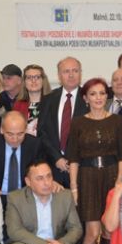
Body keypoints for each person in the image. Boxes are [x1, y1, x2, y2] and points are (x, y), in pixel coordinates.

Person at [67, 77, 122, 244]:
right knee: (92, 232)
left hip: (111, 177)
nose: (98, 98)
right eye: (93, 94)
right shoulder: (78, 123)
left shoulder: (117, 121)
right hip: (87, 177)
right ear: (85, 98)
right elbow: (73, 158)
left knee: (109, 229)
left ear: (107, 96)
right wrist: (74, 187)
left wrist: (119, 181)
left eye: (102, 93)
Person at [0, 111, 46, 211]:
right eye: (10, 134)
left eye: (20, 134)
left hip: (24, 198)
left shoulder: (34, 145)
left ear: (26, 130)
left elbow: (41, 170)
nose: (15, 139)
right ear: (1, 130)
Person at [37, 56, 88, 187]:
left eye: (75, 71)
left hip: (81, 168)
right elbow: (41, 132)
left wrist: (73, 160)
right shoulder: (48, 99)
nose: (71, 75)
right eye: (66, 71)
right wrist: (57, 158)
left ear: (80, 73)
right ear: (59, 75)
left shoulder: (89, 99)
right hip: (53, 168)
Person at [11, 64, 51, 136]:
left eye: (37, 77)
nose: (33, 81)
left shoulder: (52, 103)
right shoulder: (18, 105)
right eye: (29, 78)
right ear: (24, 82)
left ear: (43, 81)